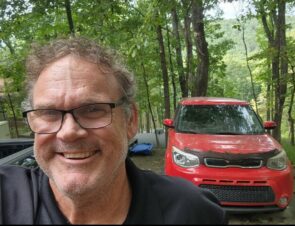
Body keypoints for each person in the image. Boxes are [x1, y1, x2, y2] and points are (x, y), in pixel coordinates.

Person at [0, 37, 228, 224]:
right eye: (49, 112)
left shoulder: (193, 212)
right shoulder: (6, 198)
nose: (68, 132)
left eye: (92, 109)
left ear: (130, 121)